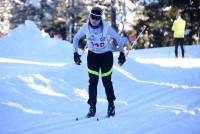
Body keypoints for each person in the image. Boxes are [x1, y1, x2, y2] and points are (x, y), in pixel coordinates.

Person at [73, 6, 128, 118]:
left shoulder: (106, 27)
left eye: (97, 18)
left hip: (106, 56)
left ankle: (111, 105)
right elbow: (76, 38)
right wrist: (75, 53)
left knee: (106, 81)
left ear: (100, 19)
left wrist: (122, 53)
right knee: (93, 82)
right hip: (93, 56)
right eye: (92, 17)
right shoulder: (85, 27)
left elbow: (118, 38)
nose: (94, 20)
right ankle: (92, 107)